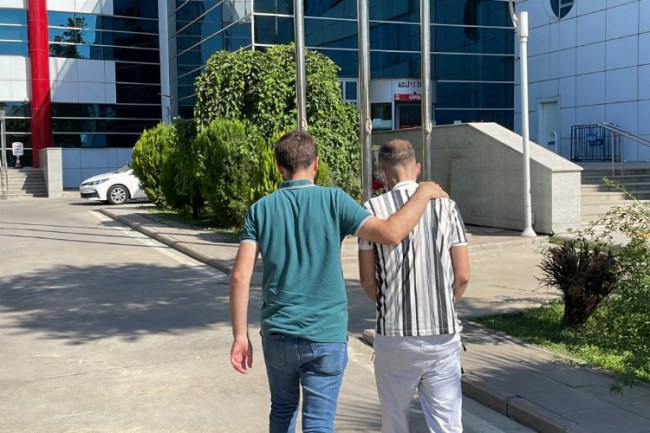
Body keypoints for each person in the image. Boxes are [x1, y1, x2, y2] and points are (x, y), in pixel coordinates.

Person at [229, 131, 448, 433]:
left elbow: (240, 275)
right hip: (325, 336)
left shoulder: (261, 209)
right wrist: (423, 193)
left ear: (279, 167)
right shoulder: (334, 200)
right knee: (319, 423)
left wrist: (240, 336)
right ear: (316, 163)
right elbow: (390, 233)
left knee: (281, 411)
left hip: (278, 334)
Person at [358, 138, 470, 433]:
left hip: (395, 335)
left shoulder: (371, 209)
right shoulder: (447, 206)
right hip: (442, 334)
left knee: (394, 422)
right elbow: (462, 275)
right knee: (447, 425)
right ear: (417, 168)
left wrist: (389, 305)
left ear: (383, 174)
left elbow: (367, 280)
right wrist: (444, 303)